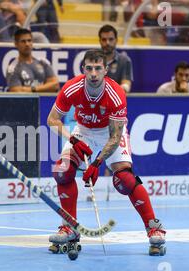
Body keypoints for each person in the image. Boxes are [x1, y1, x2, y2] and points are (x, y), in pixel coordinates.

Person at [47, 49, 166, 256]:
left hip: (109, 133)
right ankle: (69, 227)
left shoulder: (116, 93)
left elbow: (115, 136)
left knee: (125, 180)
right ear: (83, 69)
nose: (93, 73)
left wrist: (96, 163)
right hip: (82, 131)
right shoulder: (72, 87)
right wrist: (73, 139)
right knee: (62, 170)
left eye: (98, 68)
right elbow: (52, 120)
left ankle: (154, 228)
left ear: (106, 70)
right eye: (89, 68)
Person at [6, 28, 59, 93]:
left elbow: (55, 85)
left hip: (44, 102)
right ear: (16, 44)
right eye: (23, 41)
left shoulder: (43, 62)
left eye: (29, 40)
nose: (27, 44)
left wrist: (32, 89)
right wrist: (45, 87)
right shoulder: (13, 68)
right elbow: (17, 92)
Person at [98, 24, 133, 93]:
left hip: (117, 100)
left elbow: (126, 85)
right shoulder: (93, 61)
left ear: (116, 40)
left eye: (111, 39)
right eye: (104, 40)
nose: (107, 43)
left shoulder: (124, 60)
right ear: (100, 41)